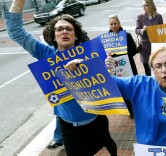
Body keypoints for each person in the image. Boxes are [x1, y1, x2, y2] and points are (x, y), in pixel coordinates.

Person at [3, 1, 117, 155]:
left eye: (69, 29)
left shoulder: (89, 54)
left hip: (97, 119)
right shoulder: (46, 54)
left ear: (75, 35)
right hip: (69, 127)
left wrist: (108, 67)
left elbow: (109, 84)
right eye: (59, 29)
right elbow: (15, 31)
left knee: (109, 144)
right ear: (53, 36)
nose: (64, 31)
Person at [66, 45, 166, 151]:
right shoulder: (139, 85)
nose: (164, 70)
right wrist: (82, 69)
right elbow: (109, 83)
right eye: (158, 66)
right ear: (153, 70)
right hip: (148, 152)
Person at [108, 14, 137, 118]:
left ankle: (136, 107)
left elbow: (134, 50)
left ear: (119, 24)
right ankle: (130, 110)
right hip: (116, 68)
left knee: (133, 86)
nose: (113, 26)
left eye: (115, 23)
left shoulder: (127, 35)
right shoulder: (107, 39)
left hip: (129, 65)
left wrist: (123, 55)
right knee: (122, 88)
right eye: (111, 24)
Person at [135, 0, 163, 76]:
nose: (144, 7)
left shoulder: (159, 16)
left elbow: (162, 30)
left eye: (146, 5)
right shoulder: (140, 17)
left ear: (151, 5)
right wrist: (142, 30)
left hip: (156, 46)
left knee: (157, 65)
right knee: (147, 68)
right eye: (143, 6)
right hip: (145, 47)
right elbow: (136, 30)